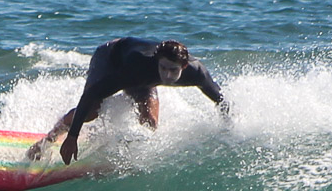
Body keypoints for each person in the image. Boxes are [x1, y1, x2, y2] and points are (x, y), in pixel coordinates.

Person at [28, 38, 229, 164]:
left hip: (141, 73)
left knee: (149, 122)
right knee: (91, 111)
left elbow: (220, 100)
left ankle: (121, 153)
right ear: (157, 62)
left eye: (173, 70)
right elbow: (90, 96)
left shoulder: (197, 73)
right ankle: (48, 140)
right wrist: (72, 137)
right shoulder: (138, 68)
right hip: (110, 57)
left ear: (184, 66)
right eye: (164, 68)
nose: (167, 75)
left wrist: (231, 126)